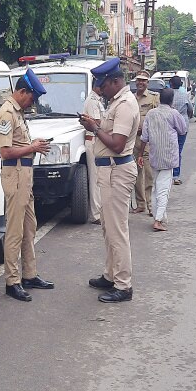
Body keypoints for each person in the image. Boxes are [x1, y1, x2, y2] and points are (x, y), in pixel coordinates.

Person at [79, 58, 139, 303]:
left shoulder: (125, 104)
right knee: (108, 228)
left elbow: (117, 144)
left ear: (116, 81)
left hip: (117, 170)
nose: (101, 89)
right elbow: (110, 131)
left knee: (117, 231)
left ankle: (123, 285)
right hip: (110, 171)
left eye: (104, 85)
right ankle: (111, 274)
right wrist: (95, 124)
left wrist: (94, 129)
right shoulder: (116, 101)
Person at [0, 68, 54, 302]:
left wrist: (32, 145)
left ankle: (29, 274)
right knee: (15, 231)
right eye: (31, 97)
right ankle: (12, 281)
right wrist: (32, 148)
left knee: (30, 228)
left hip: (24, 175)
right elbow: (6, 151)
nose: (33, 102)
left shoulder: (17, 112)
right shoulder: (6, 114)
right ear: (21, 91)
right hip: (15, 173)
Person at [137, 89, 187, 232]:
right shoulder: (174, 113)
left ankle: (159, 215)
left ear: (159, 99)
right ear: (171, 100)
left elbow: (144, 138)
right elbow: (183, 130)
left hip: (154, 155)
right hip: (168, 156)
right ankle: (158, 220)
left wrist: (140, 154)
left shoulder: (151, 114)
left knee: (156, 186)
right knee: (164, 189)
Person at [132, 70, 158, 215]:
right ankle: (140, 203)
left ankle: (150, 205)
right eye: (138, 80)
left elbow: (159, 117)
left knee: (148, 174)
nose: (140, 83)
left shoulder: (154, 98)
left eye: (143, 80)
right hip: (133, 140)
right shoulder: (130, 98)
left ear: (147, 83)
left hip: (147, 141)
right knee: (136, 173)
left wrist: (148, 129)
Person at [82, 84, 105, 224]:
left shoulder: (97, 100)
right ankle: (96, 214)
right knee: (95, 178)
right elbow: (96, 122)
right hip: (93, 140)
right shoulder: (92, 101)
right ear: (97, 86)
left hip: (97, 141)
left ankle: (100, 211)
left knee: (99, 178)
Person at [169, 76, 193, 185]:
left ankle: (168, 174)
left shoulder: (168, 94)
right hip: (183, 125)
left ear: (171, 84)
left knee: (168, 149)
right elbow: (190, 109)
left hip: (169, 124)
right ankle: (176, 176)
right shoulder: (185, 95)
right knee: (178, 150)